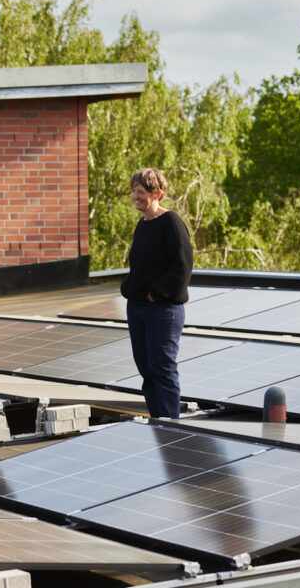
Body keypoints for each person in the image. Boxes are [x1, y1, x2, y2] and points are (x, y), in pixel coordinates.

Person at [119, 168, 194, 419]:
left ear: (157, 194)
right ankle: (157, 421)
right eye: (133, 191)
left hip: (163, 311)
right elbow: (139, 267)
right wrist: (130, 289)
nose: (135, 196)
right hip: (139, 309)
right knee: (146, 369)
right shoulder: (143, 224)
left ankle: (170, 426)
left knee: (162, 370)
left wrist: (155, 295)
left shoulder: (171, 223)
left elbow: (182, 268)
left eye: (140, 192)